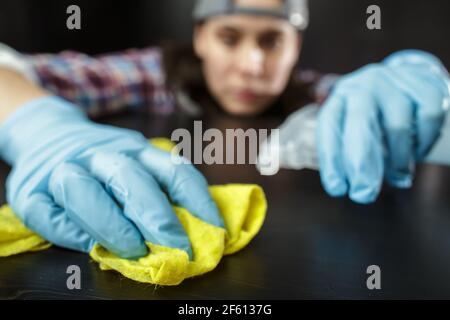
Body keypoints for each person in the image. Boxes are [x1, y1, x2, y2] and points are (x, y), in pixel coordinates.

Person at [0, 0, 448, 259]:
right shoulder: (150, 76)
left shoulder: (320, 99)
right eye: (230, 38)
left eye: (272, 42)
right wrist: (41, 127)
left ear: (297, 47)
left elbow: (386, 107)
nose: (253, 66)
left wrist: (424, 88)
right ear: (200, 38)